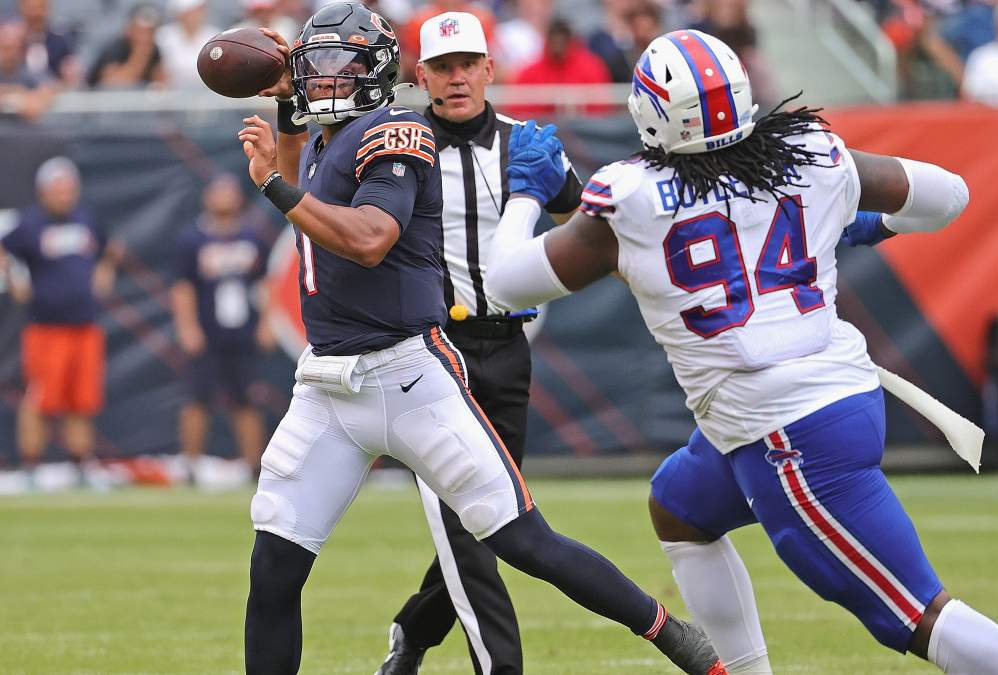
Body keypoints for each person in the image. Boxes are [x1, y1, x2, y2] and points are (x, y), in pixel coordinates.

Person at [485, 29, 998, 675]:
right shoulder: (809, 154)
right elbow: (949, 195)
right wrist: (869, 219)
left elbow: (505, 283)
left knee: (916, 615)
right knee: (680, 508)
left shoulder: (631, 198)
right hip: (817, 400)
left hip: (786, 428)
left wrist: (524, 191)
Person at [236, 4, 722, 674]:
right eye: (315, 66)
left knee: (523, 541)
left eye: (339, 66)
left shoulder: (398, 132)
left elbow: (370, 239)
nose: (325, 79)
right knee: (273, 568)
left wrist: (270, 183)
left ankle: (674, 636)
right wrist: (287, 117)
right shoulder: (329, 137)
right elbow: (304, 184)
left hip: (410, 376)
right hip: (325, 385)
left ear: (379, 71)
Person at [375, 11, 585, 675]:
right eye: (442, 67)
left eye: (467, 63)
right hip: (435, 353)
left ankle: (413, 629)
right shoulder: (398, 147)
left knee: (493, 520)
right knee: (473, 529)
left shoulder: (528, 142)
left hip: (508, 346)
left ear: (489, 69)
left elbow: (583, 223)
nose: (457, 77)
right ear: (421, 75)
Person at [0, 157, 120, 490]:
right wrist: (14, 278)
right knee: (39, 399)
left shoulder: (86, 219)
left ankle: (80, 465)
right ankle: (30, 466)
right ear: (43, 192)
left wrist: (104, 272)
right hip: (46, 327)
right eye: (58, 188)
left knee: (81, 400)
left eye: (68, 188)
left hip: (84, 325)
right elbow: (4, 249)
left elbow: (111, 247)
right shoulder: (30, 224)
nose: (64, 195)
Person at [171, 174, 273, 486]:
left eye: (229, 192)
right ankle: (190, 465)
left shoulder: (252, 237)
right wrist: (188, 327)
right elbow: (183, 287)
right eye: (219, 192)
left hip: (242, 331)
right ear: (207, 198)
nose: (224, 198)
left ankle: (254, 466)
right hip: (207, 331)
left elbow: (265, 283)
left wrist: (267, 322)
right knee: (197, 398)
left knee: (246, 399)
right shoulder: (192, 239)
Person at [86, 3, 165, 89]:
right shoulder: (115, 47)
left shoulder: (154, 49)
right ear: (130, 29)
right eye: (141, 31)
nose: (146, 37)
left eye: (150, 31)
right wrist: (141, 55)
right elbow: (112, 83)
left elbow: (161, 81)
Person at [155, 0, 220, 90]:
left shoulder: (214, 36)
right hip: (172, 93)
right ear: (180, 14)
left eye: (199, 10)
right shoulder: (162, 36)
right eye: (191, 11)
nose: (195, 15)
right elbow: (159, 72)